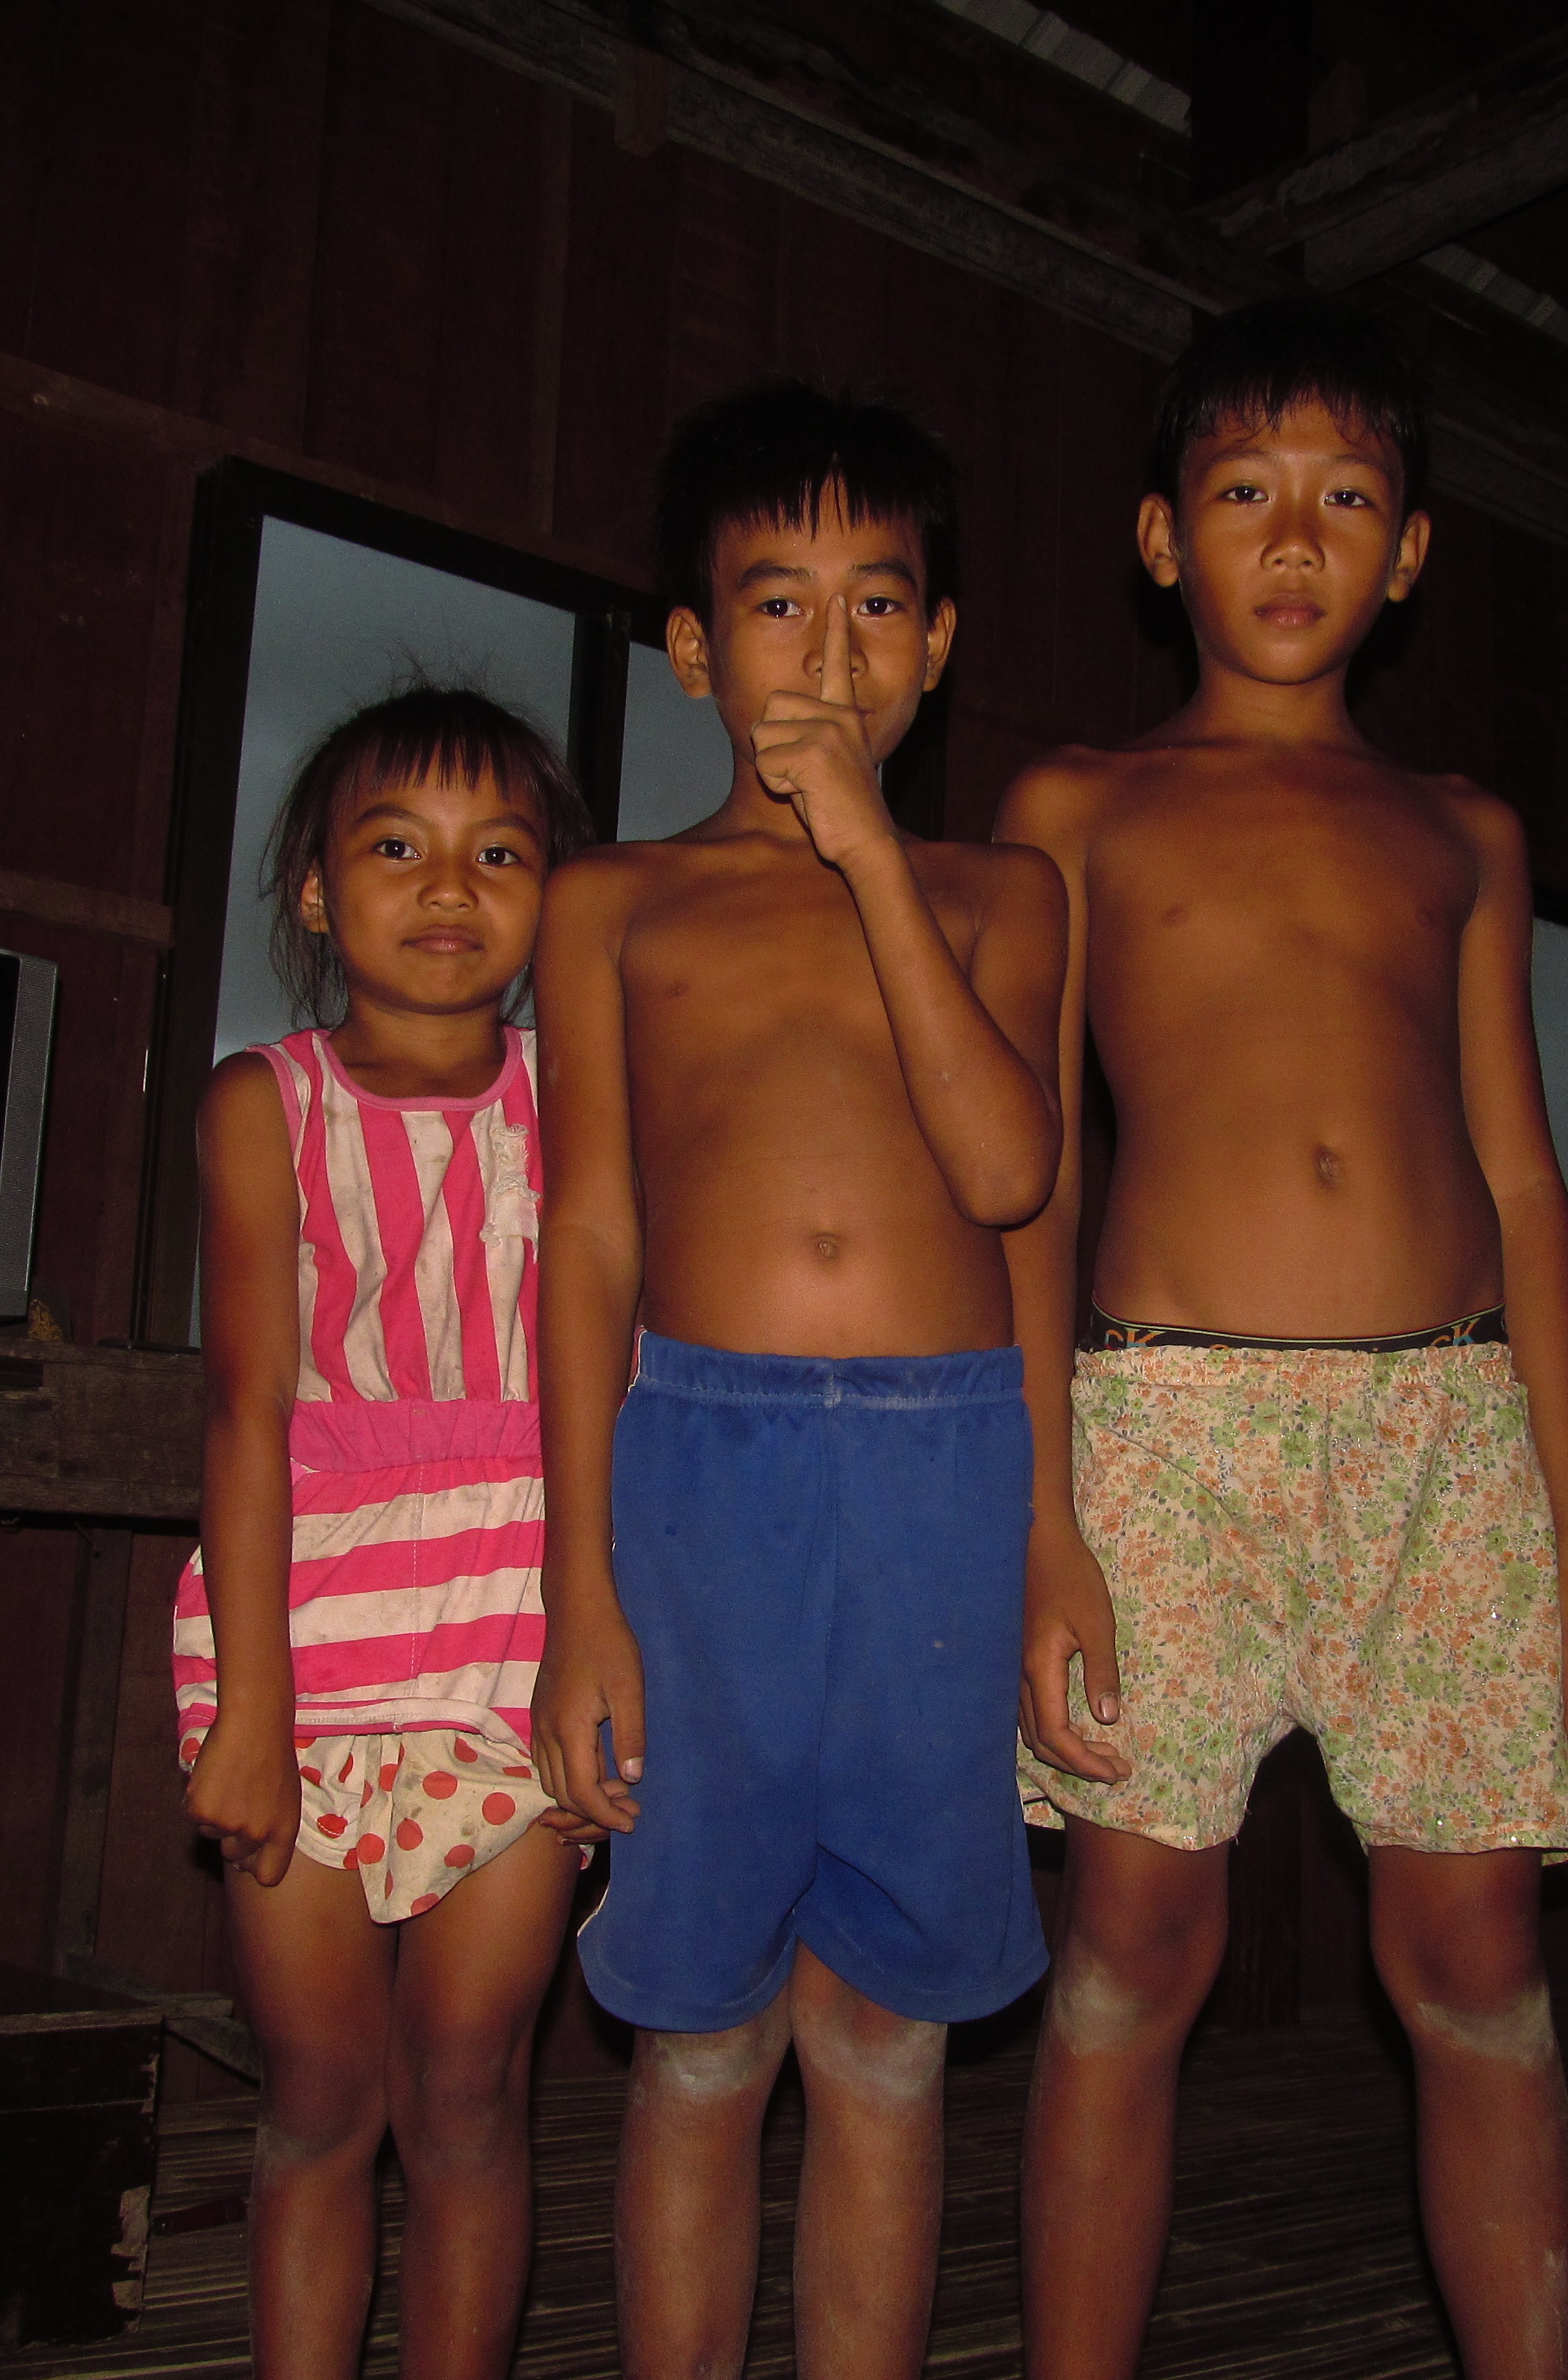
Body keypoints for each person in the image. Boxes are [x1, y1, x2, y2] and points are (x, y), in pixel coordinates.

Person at [996, 297, 1568, 2380]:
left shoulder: (1467, 832)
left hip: (1446, 1442)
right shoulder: (1076, 805)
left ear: (1414, 553)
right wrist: (1043, 1520)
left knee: (1476, 1960)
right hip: (1162, 1430)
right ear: (1163, 540)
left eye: (1349, 499)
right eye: (1247, 494)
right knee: (1130, 1948)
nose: (1296, 538)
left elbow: (1531, 1188)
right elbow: (1032, 1182)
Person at [531, 381, 1067, 2380]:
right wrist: (587, 1584)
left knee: (887, 2040)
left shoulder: (1005, 898)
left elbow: (1014, 1175)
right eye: (777, 606)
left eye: (876, 608)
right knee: (699, 2040)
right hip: (700, 1470)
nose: (827, 658)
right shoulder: (613, 903)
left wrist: (871, 858)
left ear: (936, 648)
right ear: (693, 650)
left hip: (946, 1468)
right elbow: (585, 1236)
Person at [176, 683, 594, 2380]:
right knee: (323, 2096)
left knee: (471, 2084)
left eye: (499, 851)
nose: (448, 886)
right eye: (396, 847)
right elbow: (247, 1414)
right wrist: (255, 1708)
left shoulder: (589, 1108)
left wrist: (609, 1644)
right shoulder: (258, 1103)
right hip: (307, 1649)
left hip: (520, 1634)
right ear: (316, 891)